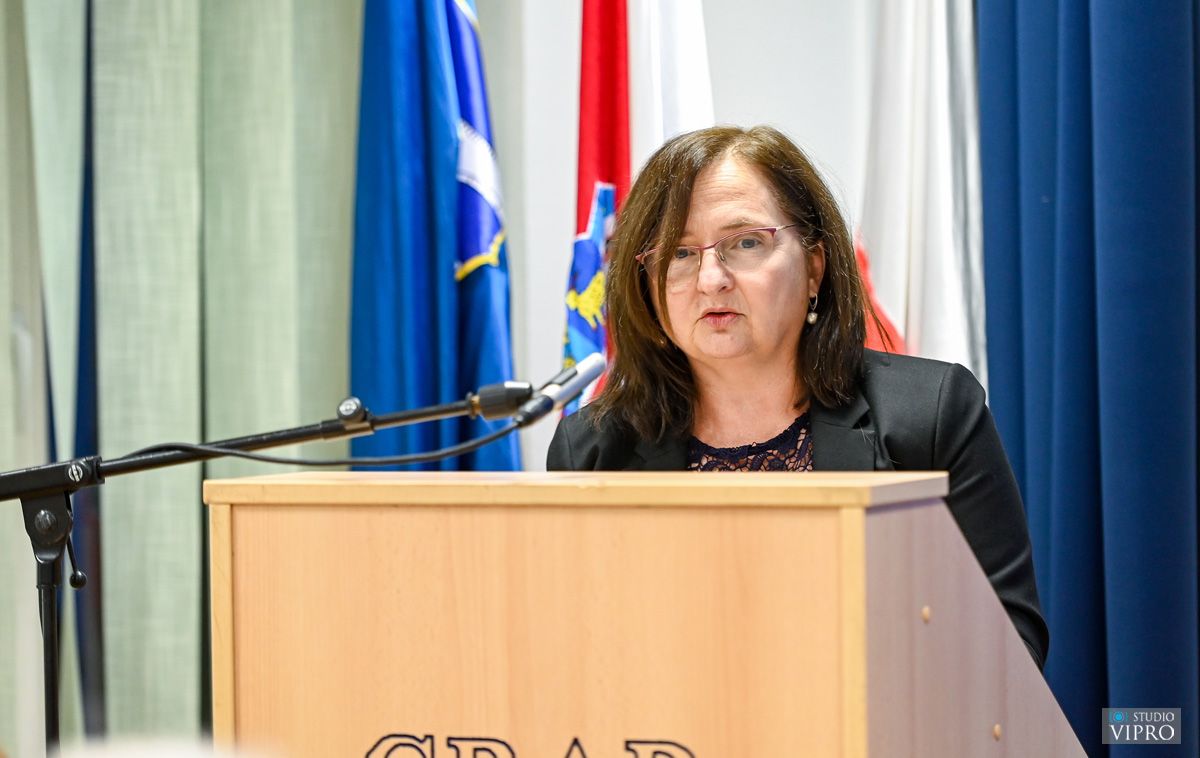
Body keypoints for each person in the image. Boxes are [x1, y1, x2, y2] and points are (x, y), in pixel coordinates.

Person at [547, 125, 1049, 669]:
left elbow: (1012, 646)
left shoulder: (931, 413)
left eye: (746, 243)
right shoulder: (595, 449)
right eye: (680, 253)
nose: (711, 279)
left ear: (814, 267)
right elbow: (575, 655)